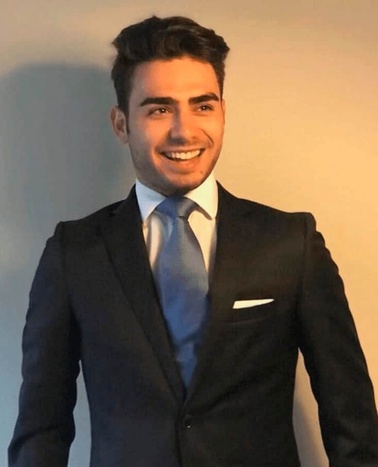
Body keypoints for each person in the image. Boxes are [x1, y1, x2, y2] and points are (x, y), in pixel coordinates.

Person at [9, 15, 378, 467]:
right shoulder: (74, 254)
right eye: (159, 109)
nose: (184, 130)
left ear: (223, 111)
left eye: (202, 105)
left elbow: (351, 416)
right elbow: (41, 429)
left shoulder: (291, 243)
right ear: (121, 124)